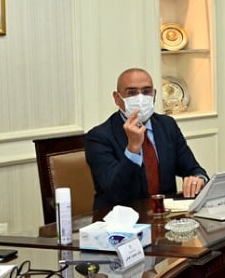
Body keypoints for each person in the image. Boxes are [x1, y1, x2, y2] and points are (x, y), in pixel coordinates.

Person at [85, 68, 207, 210]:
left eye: (146, 91)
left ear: (154, 95)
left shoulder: (167, 125)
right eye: (132, 93)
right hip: (120, 217)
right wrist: (133, 149)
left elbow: (193, 169)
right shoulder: (98, 137)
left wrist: (199, 179)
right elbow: (115, 192)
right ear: (117, 98)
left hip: (164, 214)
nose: (140, 98)